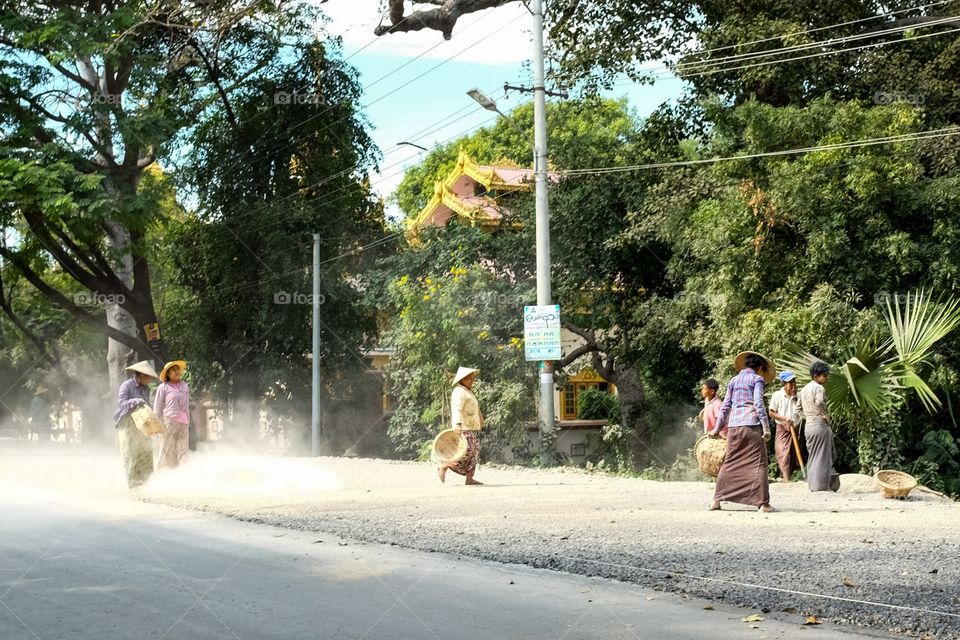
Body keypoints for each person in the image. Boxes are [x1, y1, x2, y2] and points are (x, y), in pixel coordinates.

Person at [708, 351, 777, 512]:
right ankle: (763, 504)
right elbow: (758, 404)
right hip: (751, 425)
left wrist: (716, 428)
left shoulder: (734, 380)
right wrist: (766, 428)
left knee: (730, 461)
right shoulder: (757, 379)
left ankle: (716, 500)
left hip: (733, 427)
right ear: (760, 368)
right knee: (759, 463)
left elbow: (725, 406)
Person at [114, 361, 159, 488]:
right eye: (148, 377)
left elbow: (147, 405)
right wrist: (135, 401)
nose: (150, 379)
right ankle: (132, 482)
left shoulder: (146, 388)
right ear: (141, 375)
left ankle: (147, 480)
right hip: (127, 423)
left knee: (145, 450)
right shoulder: (126, 386)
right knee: (130, 451)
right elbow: (121, 403)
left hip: (142, 423)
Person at [439, 366, 484, 486]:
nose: (471, 381)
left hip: (471, 426)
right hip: (464, 427)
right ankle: (446, 465)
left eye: (472, 379)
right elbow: (457, 409)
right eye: (468, 379)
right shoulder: (458, 392)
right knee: (466, 451)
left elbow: (476, 409)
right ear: (461, 380)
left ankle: (469, 478)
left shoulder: (468, 392)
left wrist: (480, 419)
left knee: (473, 453)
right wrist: (457, 424)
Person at [800, 361, 840, 492]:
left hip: (809, 426)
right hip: (819, 425)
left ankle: (812, 485)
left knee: (813, 455)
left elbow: (797, 410)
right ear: (816, 376)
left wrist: (809, 416)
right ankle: (822, 487)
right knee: (823, 456)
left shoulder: (804, 389)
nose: (826, 378)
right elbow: (820, 402)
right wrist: (825, 414)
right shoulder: (819, 388)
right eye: (824, 375)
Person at [768, 370, 803, 482]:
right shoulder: (777, 395)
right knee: (783, 453)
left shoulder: (798, 395)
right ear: (784, 383)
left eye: (794, 382)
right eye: (790, 382)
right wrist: (784, 419)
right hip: (782, 428)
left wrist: (795, 397)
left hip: (795, 428)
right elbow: (771, 412)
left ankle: (788, 478)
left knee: (794, 455)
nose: (793, 384)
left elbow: (802, 410)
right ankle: (786, 478)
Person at [154, 360, 190, 469]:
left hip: (183, 422)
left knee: (183, 450)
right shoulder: (163, 387)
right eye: (173, 370)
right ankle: (162, 473)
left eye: (177, 369)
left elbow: (187, 405)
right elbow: (157, 407)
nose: (177, 371)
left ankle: (183, 474)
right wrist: (157, 425)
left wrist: (188, 420)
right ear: (168, 374)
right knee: (166, 450)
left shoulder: (184, 386)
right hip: (168, 422)